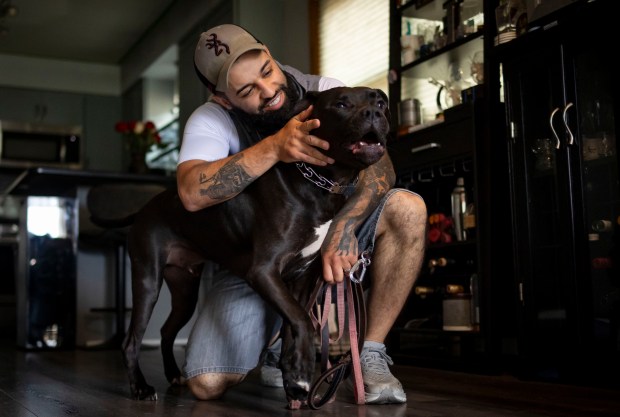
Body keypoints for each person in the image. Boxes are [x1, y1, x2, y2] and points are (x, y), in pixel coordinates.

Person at [176, 23, 427, 405]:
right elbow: (191, 194)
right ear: (222, 98)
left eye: (266, 71)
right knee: (205, 383)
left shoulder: (326, 89)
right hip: (258, 258)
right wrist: (274, 148)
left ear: (268, 52)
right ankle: (279, 343)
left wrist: (343, 229)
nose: (269, 92)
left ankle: (371, 351)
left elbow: (380, 165)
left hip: (332, 229)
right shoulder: (211, 121)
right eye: (247, 91)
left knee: (408, 207)